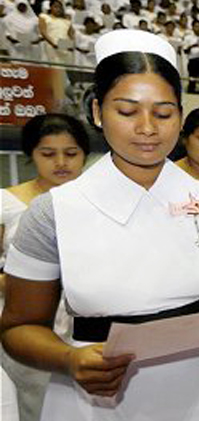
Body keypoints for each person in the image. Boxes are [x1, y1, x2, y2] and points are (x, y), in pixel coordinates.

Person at [0, 29, 199, 420]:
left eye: (163, 113)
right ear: (96, 113)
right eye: (126, 111)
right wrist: (70, 359)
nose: (147, 128)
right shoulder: (55, 212)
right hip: (102, 398)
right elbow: (19, 327)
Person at [1, 114, 90, 421]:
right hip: (28, 318)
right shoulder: (7, 203)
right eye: (48, 154)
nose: (61, 163)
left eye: (71, 153)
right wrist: (36, 280)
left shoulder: (92, 202)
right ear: (31, 155)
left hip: (84, 317)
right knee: (34, 404)